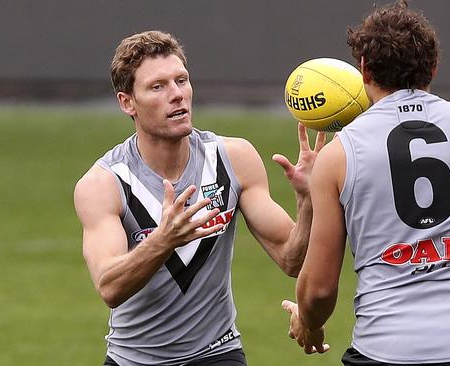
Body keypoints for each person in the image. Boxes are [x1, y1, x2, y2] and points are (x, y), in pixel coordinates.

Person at [282, 1, 450, 365]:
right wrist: (442, 251)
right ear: (434, 68)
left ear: (363, 69)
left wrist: (309, 324)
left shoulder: (339, 155)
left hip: (384, 349)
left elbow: (318, 290)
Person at [74, 30, 325, 366]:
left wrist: (308, 202)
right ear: (127, 102)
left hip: (218, 353)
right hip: (133, 360)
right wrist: (164, 240)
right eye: (158, 86)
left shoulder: (233, 159)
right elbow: (109, 286)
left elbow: (291, 259)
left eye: (182, 80)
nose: (177, 95)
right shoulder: (104, 183)